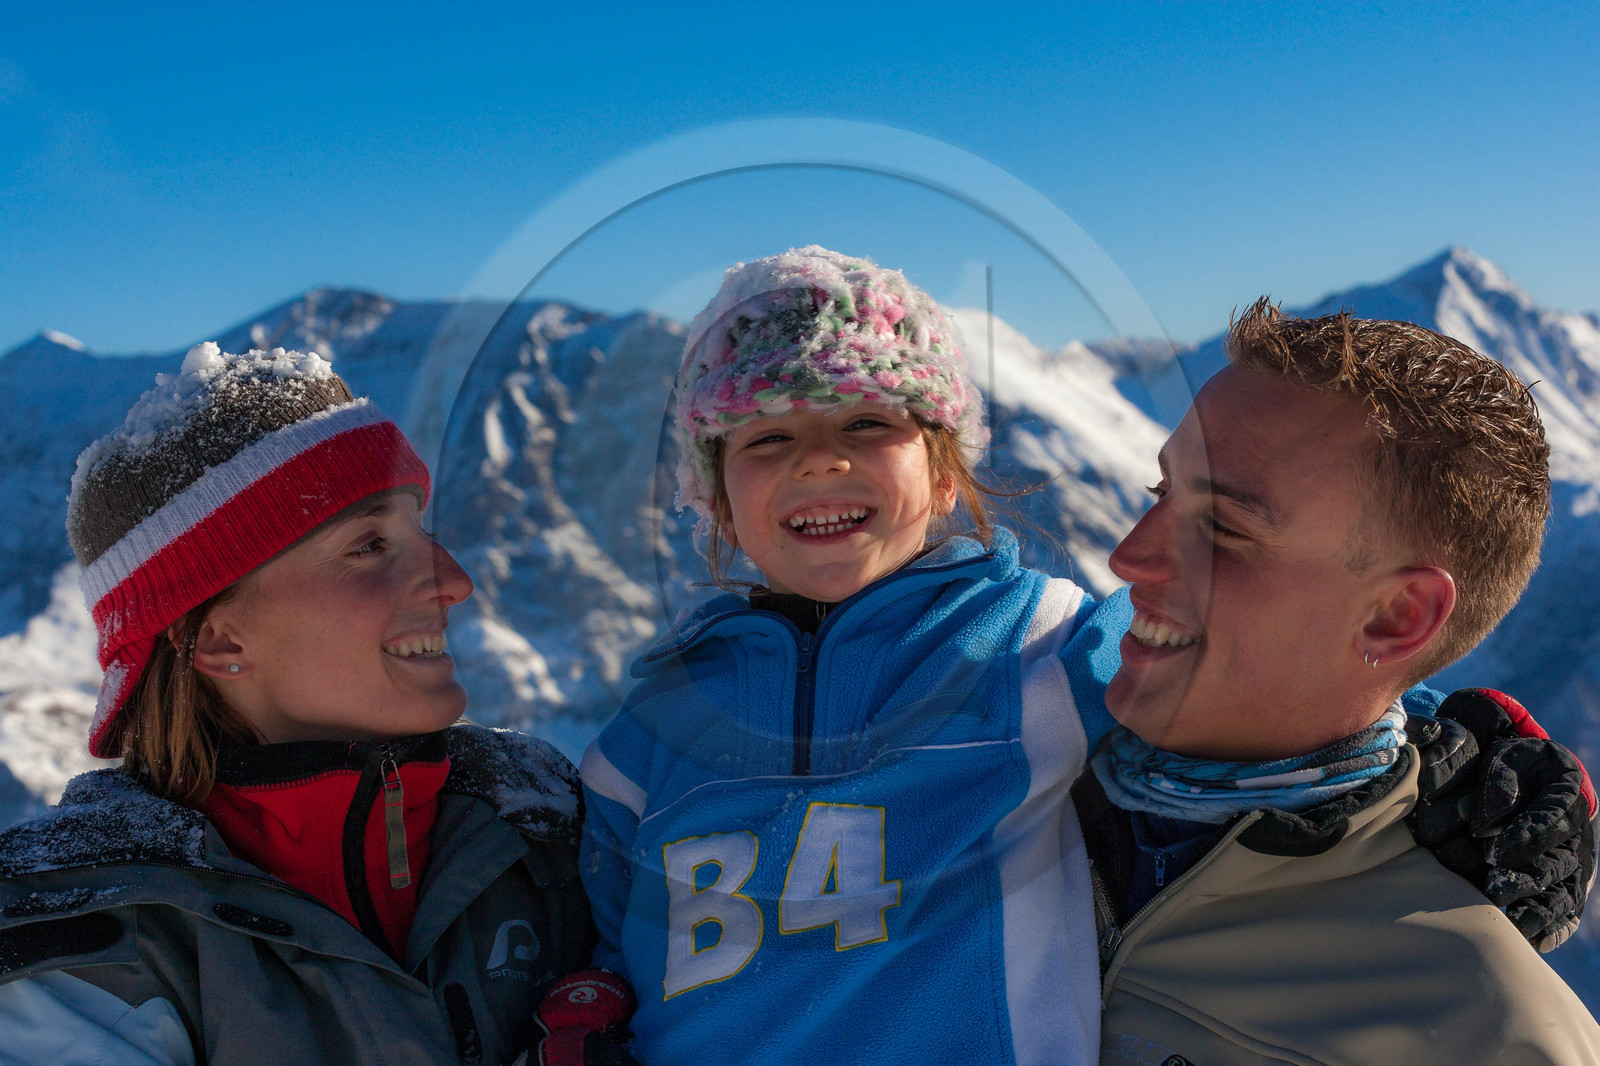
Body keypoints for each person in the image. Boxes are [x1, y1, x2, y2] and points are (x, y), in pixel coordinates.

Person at [578, 248, 1594, 1065]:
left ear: (945, 479)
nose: (817, 458)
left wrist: (1464, 761)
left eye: (865, 421)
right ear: (712, 501)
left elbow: (1293, 676)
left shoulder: (1037, 645)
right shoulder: (653, 726)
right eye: (762, 439)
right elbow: (589, 919)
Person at [0, 344, 632, 1065]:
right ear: (217, 639)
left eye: (419, 534)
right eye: (369, 545)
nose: (455, 581)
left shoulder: (550, 827)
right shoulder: (84, 936)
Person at [1074, 301, 1600, 1064]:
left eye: (1221, 527)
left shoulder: (1482, 1030)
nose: (1128, 560)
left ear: (1396, 616)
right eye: (1162, 494)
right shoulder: (992, 765)